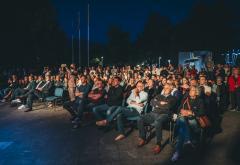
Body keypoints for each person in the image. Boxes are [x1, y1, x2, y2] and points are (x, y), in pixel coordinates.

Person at [137, 84, 177, 154]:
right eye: (164, 88)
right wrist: (160, 103)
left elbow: (168, 107)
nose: (165, 89)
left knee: (158, 121)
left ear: (171, 89)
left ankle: (158, 144)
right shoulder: (159, 96)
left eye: (167, 88)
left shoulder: (173, 98)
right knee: (140, 118)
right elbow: (151, 102)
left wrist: (157, 104)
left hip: (165, 114)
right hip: (153, 113)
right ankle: (143, 138)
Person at [171, 86, 205, 162]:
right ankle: (187, 140)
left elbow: (202, 112)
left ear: (196, 92)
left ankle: (177, 152)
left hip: (194, 121)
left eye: (192, 90)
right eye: (190, 90)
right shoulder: (185, 99)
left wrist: (191, 113)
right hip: (184, 119)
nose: (190, 91)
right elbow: (179, 109)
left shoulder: (200, 101)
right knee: (182, 121)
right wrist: (182, 111)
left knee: (185, 125)